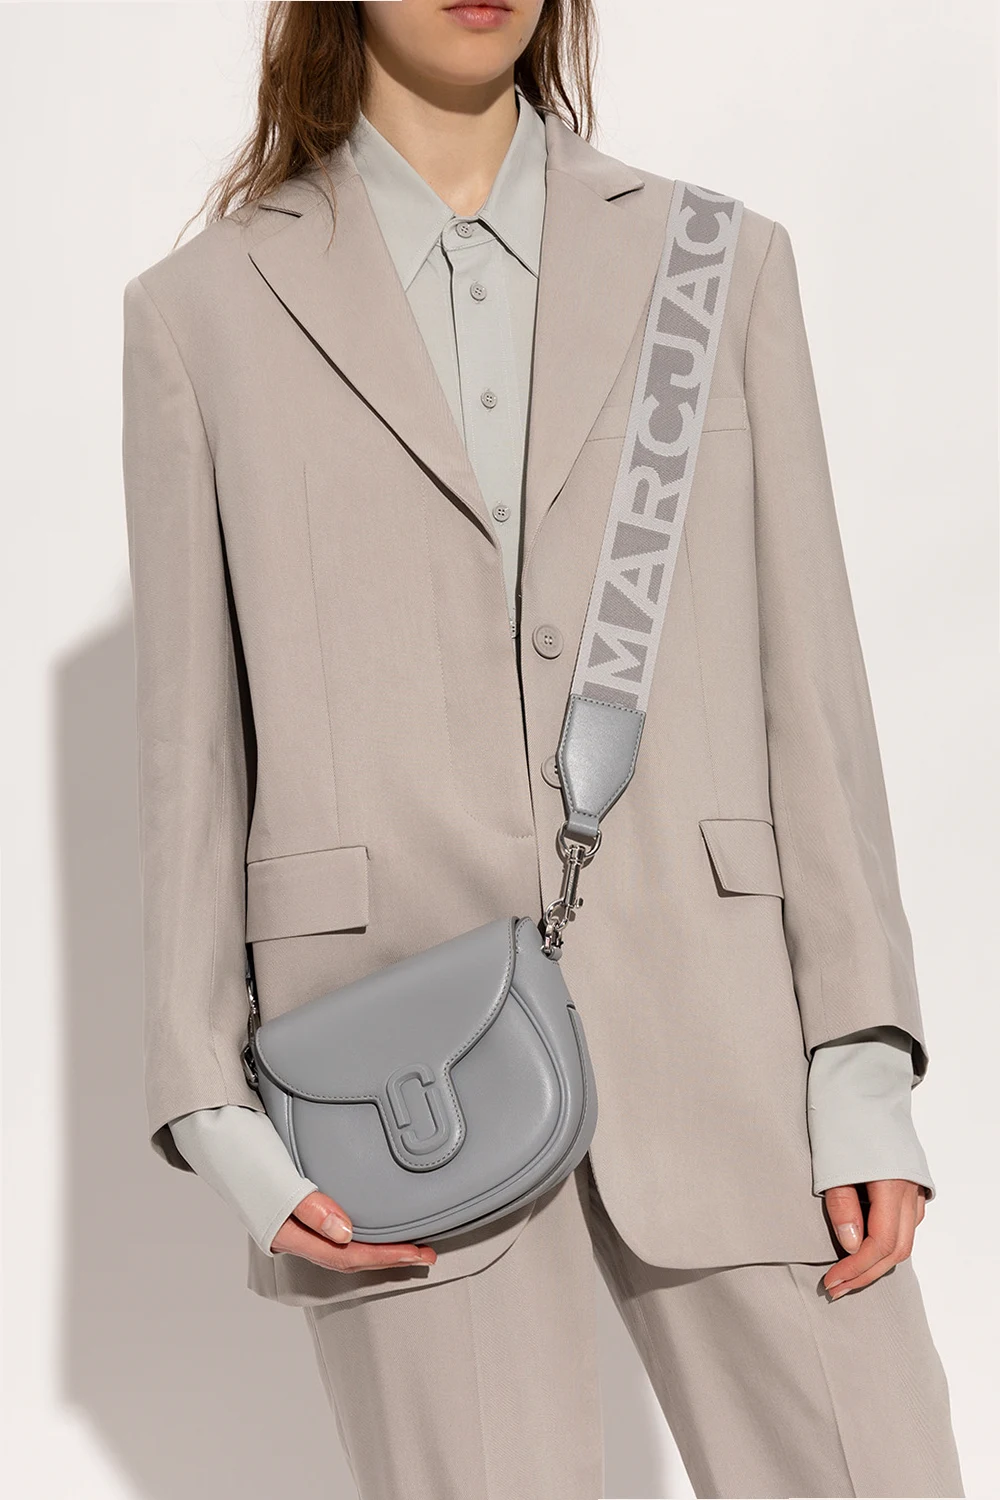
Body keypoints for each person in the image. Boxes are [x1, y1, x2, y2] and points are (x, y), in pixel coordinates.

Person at [121, 2, 964, 1496]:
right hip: (392, 1074)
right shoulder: (207, 313)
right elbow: (192, 753)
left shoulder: (713, 263)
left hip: (734, 1038)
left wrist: (859, 1065)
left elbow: (813, 685)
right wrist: (219, 1113)